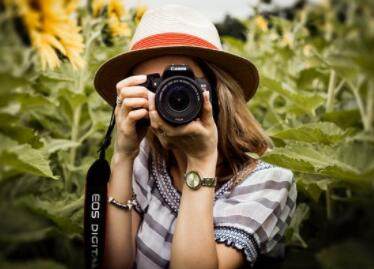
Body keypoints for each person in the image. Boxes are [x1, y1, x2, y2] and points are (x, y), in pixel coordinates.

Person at [93, 4, 297, 269]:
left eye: (184, 83)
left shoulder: (269, 184)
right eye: (154, 85)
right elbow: (115, 265)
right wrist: (123, 155)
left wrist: (201, 160)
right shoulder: (146, 158)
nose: (170, 95)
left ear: (217, 92)